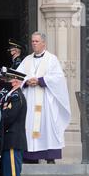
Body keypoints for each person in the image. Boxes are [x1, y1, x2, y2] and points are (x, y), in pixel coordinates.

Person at [16, 32, 71, 164]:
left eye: (36, 41)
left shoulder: (52, 59)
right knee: (28, 126)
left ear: (43, 43)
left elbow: (58, 78)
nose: (34, 43)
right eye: (33, 41)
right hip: (30, 99)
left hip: (46, 101)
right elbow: (17, 76)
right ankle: (30, 157)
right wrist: (26, 81)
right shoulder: (27, 60)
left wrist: (41, 80)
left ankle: (49, 156)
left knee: (47, 127)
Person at [0, 68, 28, 176]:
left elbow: (8, 117)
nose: (6, 82)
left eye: (8, 80)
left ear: (15, 81)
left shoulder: (16, 97)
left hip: (13, 141)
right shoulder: (10, 96)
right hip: (7, 141)